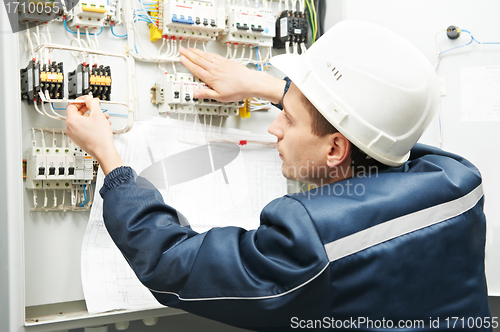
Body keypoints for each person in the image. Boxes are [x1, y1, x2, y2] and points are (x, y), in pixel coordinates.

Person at [65, 21, 491, 331]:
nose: (274, 128)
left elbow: (173, 263)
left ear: (335, 149)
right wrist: (264, 86)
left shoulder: (312, 239)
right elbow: (379, 133)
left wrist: (110, 158)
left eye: (287, 117)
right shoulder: (457, 182)